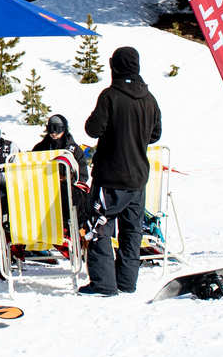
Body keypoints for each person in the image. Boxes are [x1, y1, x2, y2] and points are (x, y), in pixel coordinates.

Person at [82, 47, 163, 297]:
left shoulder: (110, 96)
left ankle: (104, 283)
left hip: (111, 176)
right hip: (138, 177)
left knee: (99, 226)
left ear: (114, 66)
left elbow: (93, 129)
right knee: (132, 230)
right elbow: (156, 134)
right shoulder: (149, 99)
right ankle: (127, 282)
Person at [34, 114, 91, 184]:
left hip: (68, 190)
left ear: (64, 129)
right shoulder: (40, 148)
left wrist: (69, 180)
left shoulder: (75, 150)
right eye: (50, 129)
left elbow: (83, 175)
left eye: (57, 129)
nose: (54, 133)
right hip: (45, 187)